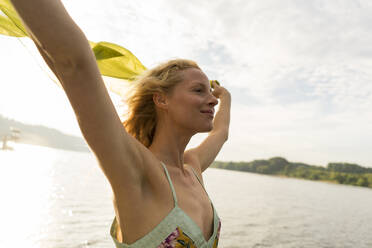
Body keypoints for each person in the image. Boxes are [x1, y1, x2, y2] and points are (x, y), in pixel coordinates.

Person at [9, 0, 231, 247]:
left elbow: (221, 132)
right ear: (161, 99)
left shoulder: (193, 168)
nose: (212, 100)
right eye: (198, 90)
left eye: (211, 94)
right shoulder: (134, 168)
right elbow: (74, 64)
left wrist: (226, 98)